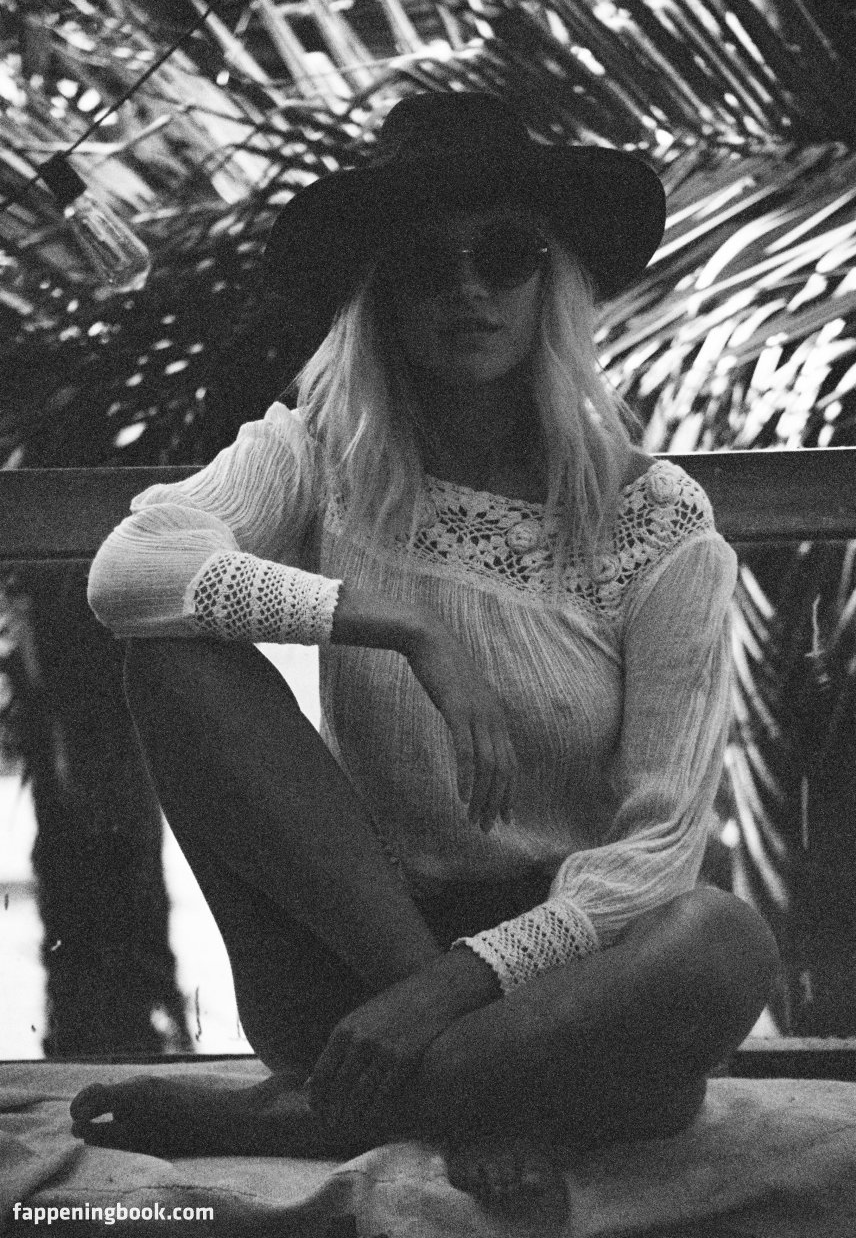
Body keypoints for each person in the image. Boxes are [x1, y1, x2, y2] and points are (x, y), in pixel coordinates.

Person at [71, 92, 779, 1217]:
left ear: (551, 282)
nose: (467, 289)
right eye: (423, 263)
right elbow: (130, 571)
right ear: (380, 295)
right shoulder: (318, 455)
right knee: (175, 661)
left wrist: (451, 989)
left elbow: (657, 848)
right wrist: (399, 623)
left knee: (720, 941)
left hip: (563, 984)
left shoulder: (651, 518)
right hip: (354, 969)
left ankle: (322, 1111)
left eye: (504, 254)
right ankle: (487, 1101)